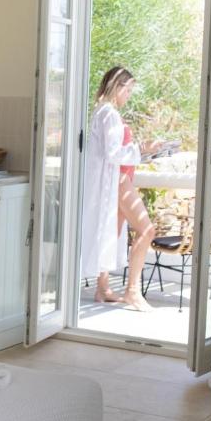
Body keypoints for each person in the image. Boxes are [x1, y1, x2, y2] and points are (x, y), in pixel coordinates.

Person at [80, 66, 162, 311]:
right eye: (128, 91)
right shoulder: (109, 114)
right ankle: (133, 291)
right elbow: (114, 153)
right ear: (118, 87)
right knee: (147, 230)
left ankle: (103, 288)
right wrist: (144, 148)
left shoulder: (103, 112)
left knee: (112, 232)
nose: (129, 96)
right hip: (117, 181)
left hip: (116, 179)